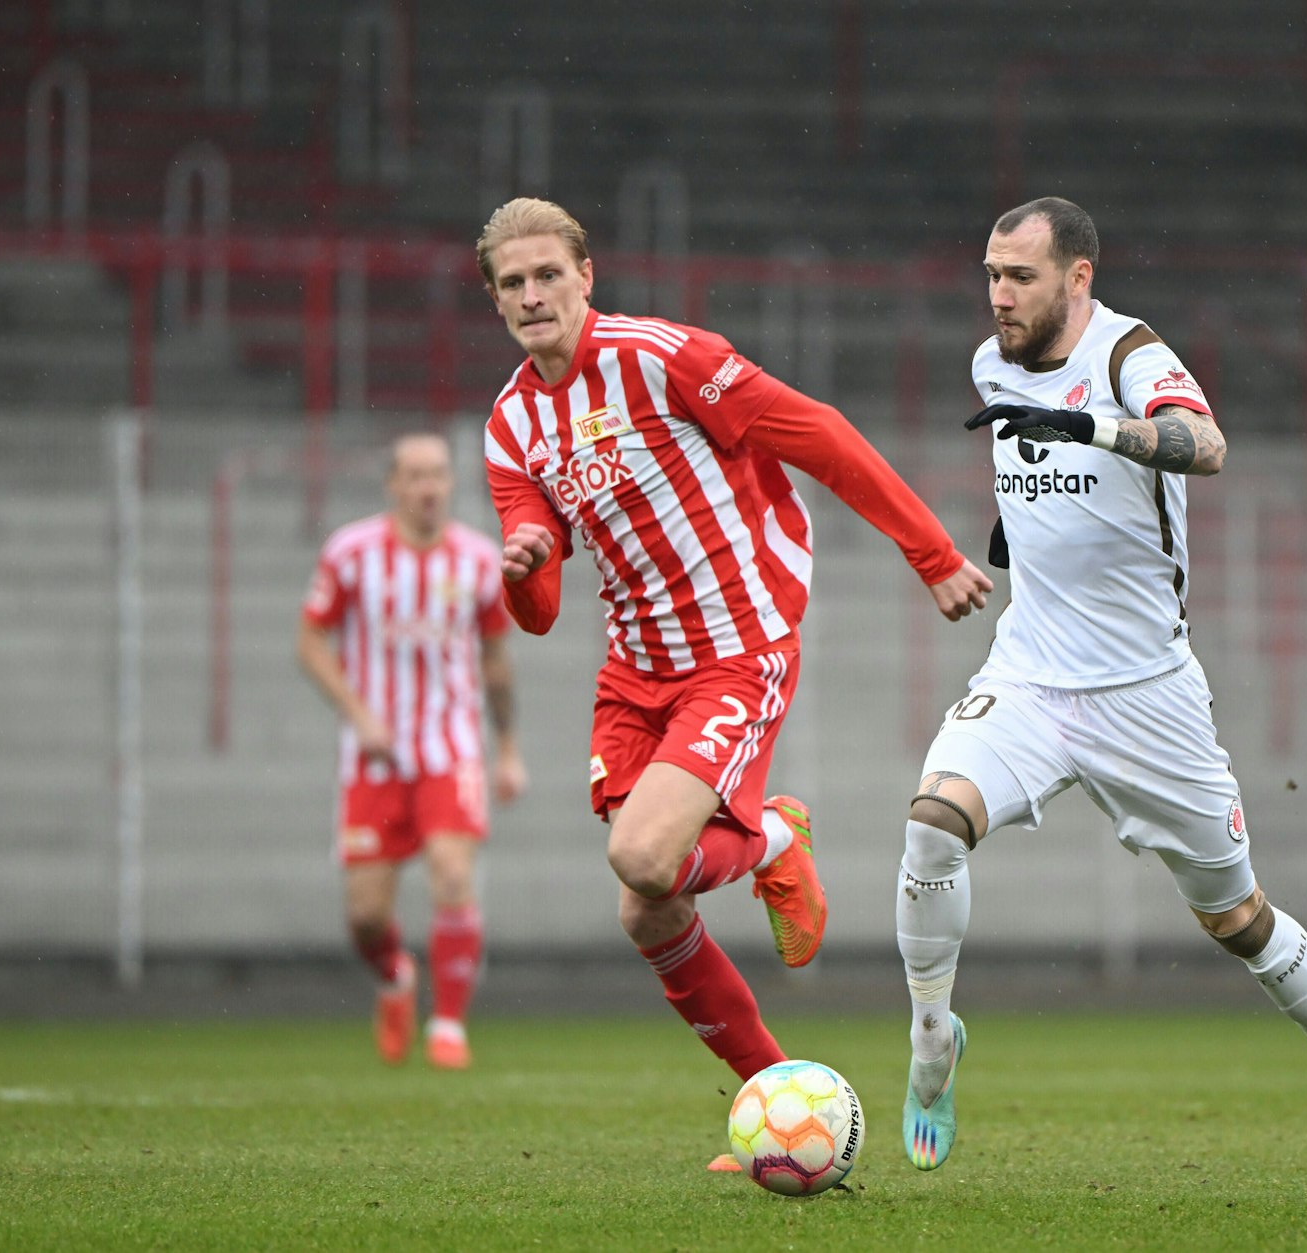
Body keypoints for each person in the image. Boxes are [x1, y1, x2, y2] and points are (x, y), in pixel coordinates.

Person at [892, 197, 1307, 1185]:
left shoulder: (1131, 352)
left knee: (1237, 919)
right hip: (1031, 676)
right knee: (930, 820)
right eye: (990, 274)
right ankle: (931, 1037)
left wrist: (1090, 426)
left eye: (1019, 276)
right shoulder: (988, 362)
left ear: (1077, 277)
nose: (998, 296)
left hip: (1147, 692)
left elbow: (1204, 445)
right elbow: (1033, 484)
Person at [475, 197, 993, 1169]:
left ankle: (770, 839)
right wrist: (527, 559)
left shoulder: (662, 357)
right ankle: (774, 1091)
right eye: (512, 282)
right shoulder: (511, 426)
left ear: (586, 276)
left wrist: (929, 553)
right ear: (496, 299)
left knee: (638, 856)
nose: (533, 295)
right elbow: (538, 609)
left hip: (734, 642)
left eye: (548, 274)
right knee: (648, 904)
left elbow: (817, 432)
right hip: (635, 669)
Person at [297, 433, 528, 1070]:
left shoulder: (479, 561)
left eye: (439, 475)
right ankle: (397, 976)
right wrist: (359, 714)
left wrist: (506, 749)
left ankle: (448, 1024)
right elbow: (311, 641)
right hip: (374, 755)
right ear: (393, 485)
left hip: (450, 747)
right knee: (366, 917)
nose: (429, 487)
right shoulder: (350, 554)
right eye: (416, 476)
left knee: (453, 875)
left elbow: (496, 661)